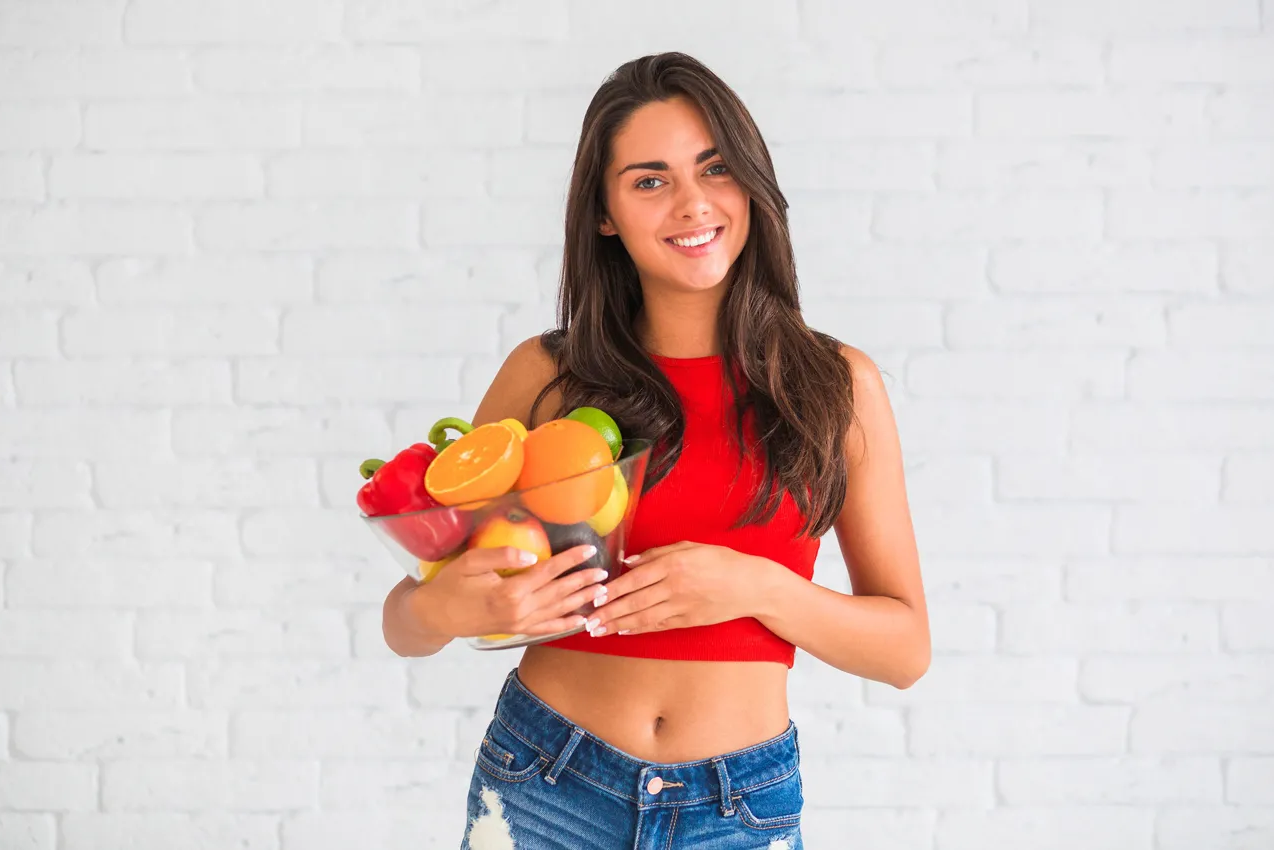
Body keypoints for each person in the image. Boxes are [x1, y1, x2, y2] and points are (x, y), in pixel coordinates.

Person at [381, 52, 930, 850]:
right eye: (649, 180)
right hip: (545, 784)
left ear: (751, 183)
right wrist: (449, 606)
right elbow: (409, 618)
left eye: (715, 169)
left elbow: (905, 649)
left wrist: (756, 587)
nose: (692, 204)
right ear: (604, 212)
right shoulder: (545, 379)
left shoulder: (838, 385)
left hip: (738, 806)